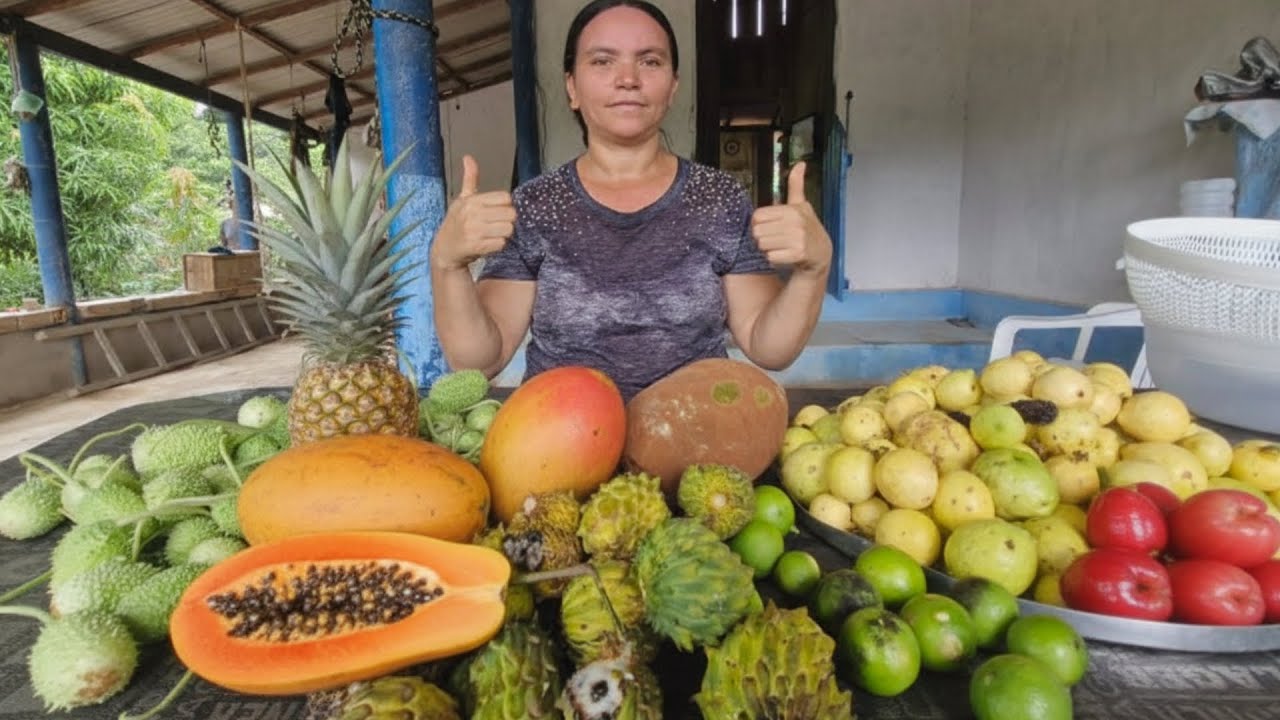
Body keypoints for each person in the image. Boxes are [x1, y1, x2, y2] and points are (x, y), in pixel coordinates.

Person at [429, 0, 832, 401]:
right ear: (572, 87)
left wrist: (813, 270)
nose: (628, 78)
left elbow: (770, 348)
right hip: (558, 441)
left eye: (650, 61)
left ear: (673, 85)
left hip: (693, 434)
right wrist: (447, 265)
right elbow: (481, 360)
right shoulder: (535, 205)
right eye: (602, 61)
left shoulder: (720, 199)